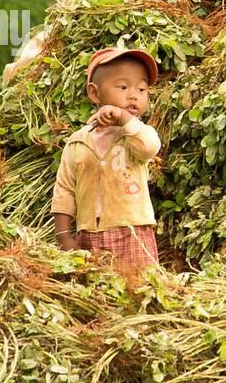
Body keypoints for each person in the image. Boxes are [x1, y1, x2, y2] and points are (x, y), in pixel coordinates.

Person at [51, 47, 162, 269]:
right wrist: (64, 237)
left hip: (133, 234)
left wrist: (122, 117)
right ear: (94, 93)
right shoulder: (77, 142)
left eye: (141, 89)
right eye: (123, 87)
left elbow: (150, 148)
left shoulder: (138, 135)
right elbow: (64, 191)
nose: (133, 95)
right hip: (89, 238)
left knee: (139, 293)